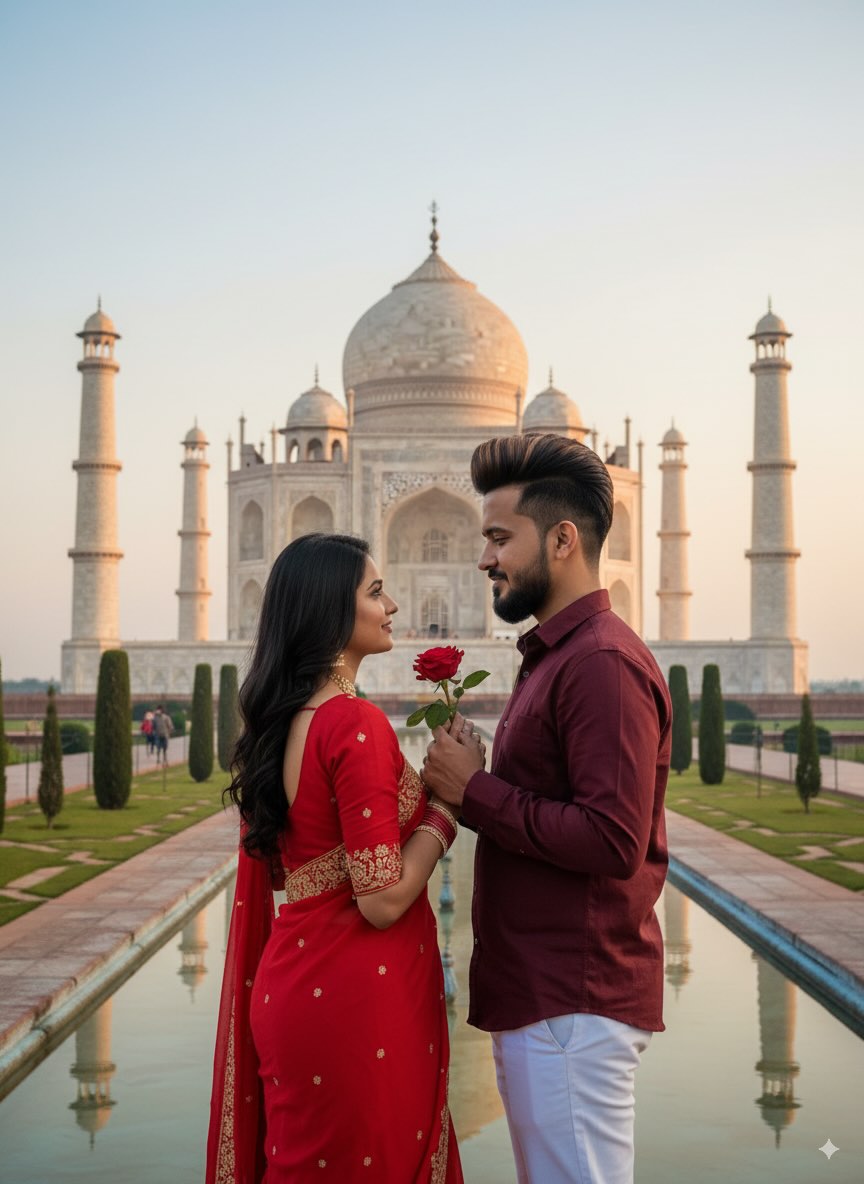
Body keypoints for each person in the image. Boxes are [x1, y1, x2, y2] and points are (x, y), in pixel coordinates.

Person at [421, 433, 671, 1184]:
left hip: (574, 999)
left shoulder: (600, 662)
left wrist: (475, 790)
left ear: (562, 540)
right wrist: (474, 783)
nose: (485, 558)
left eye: (501, 538)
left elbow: (611, 838)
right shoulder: (561, 656)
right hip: (549, 995)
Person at [206, 532, 464, 1184]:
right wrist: (445, 812)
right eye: (375, 592)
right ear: (330, 610)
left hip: (297, 986)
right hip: (353, 1002)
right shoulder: (352, 723)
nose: (392, 606)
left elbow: (305, 865)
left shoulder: (285, 723)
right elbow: (381, 899)